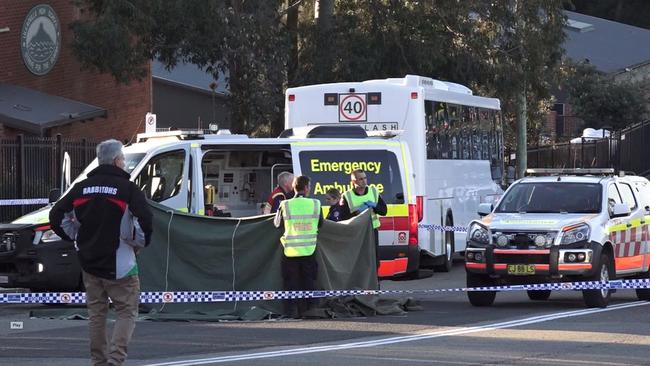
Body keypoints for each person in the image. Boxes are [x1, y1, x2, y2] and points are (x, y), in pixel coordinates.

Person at [49, 139, 153, 366]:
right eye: (123, 159)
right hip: (121, 263)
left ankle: (99, 362)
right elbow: (145, 219)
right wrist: (139, 242)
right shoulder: (128, 188)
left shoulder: (80, 188)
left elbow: (56, 215)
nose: (124, 163)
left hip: (89, 263)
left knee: (97, 314)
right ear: (117, 161)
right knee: (127, 311)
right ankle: (115, 361)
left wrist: (74, 236)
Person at [274, 175, 323, 318]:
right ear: (306, 187)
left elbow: (277, 224)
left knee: (290, 283)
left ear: (294, 187)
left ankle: (291, 313)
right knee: (309, 282)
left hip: (290, 251)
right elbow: (321, 224)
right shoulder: (315, 204)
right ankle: (311, 311)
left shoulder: (285, 205)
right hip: (309, 250)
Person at [339, 169, 387, 270]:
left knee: (374, 260)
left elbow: (384, 211)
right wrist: (356, 213)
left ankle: (374, 284)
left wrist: (375, 206)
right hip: (356, 232)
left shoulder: (373, 191)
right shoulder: (347, 196)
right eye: (360, 179)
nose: (364, 181)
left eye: (365, 178)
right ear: (353, 182)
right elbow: (342, 218)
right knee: (358, 260)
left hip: (372, 231)